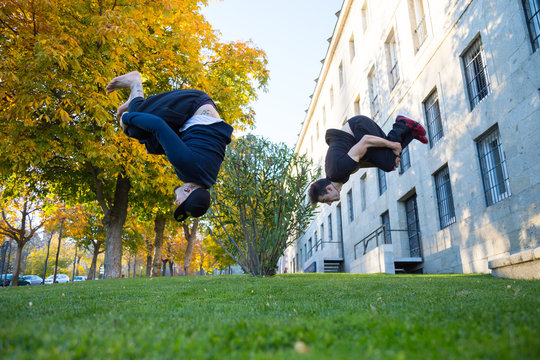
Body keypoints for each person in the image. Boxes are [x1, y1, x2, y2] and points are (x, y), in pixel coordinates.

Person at [106, 71, 233, 221]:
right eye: (180, 202)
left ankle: (134, 103)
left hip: (190, 121)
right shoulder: (186, 166)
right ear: (188, 190)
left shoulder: (206, 179)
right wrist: (126, 119)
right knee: (134, 126)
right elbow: (157, 125)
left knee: (151, 145)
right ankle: (135, 83)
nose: (176, 201)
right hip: (194, 104)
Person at [308, 114, 428, 206]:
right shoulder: (337, 175)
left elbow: (365, 140)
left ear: (329, 189)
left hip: (358, 127)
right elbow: (360, 163)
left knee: (388, 161)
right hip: (357, 133)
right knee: (388, 163)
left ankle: (402, 124)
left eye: (325, 200)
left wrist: (392, 146)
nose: (329, 204)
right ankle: (410, 133)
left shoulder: (339, 171)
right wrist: (384, 163)